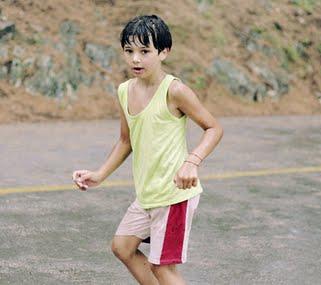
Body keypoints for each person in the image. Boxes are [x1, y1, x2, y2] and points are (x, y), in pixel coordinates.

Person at [72, 14, 224, 285]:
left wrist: (193, 161)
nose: (136, 60)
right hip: (148, 194)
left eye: (145, 51)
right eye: (129, 51)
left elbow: (213, 128)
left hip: (174, 195)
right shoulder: (124, 90)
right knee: (122, 247)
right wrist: (99, 174)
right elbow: (126, 140)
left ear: (164, 52)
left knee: (163, 268)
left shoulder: (174, 91)